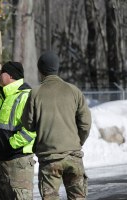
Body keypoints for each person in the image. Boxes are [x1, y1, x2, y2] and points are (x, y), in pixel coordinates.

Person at [21, 51, 92, 200]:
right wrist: (77, 142)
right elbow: (85, 123)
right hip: (73, 156)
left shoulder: (35, 93)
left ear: (40, 70)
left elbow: (27, 124)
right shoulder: (74, 91)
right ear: (57, 68)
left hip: (49, 159)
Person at [0, 61, 36, 200]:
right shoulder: (3, 97)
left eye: (2, 72)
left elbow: (32, 130)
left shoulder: (25, 96)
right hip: (3, 161)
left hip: (18, 162)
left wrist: (10, 145)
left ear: (10, 76)